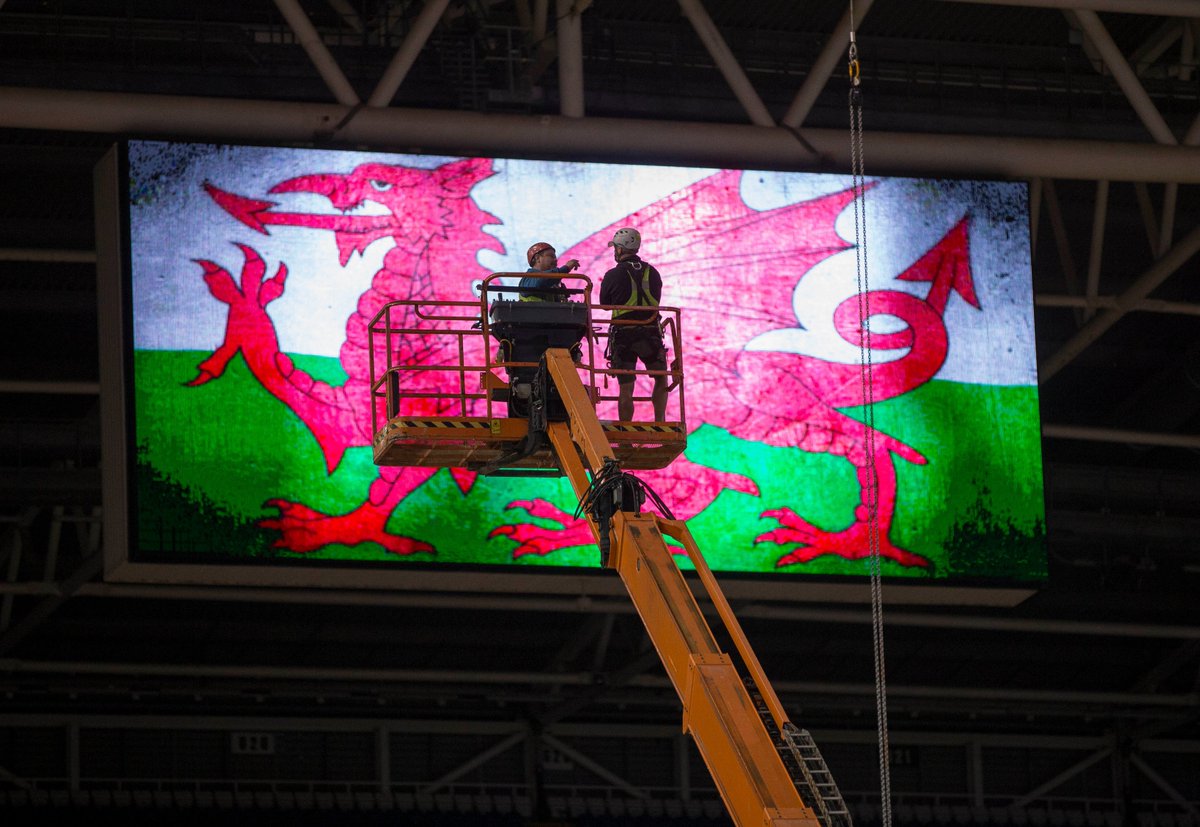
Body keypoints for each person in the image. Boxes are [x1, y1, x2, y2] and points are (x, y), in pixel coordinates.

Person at [599, 227, 668, 421]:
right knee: (661, 377)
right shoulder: (653, 272)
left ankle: (625, 430)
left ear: (620, 249)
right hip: (650, 332)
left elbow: (604, 305)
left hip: (624, 334)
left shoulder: (613, 274)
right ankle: (660, 421)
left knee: (626, 386)